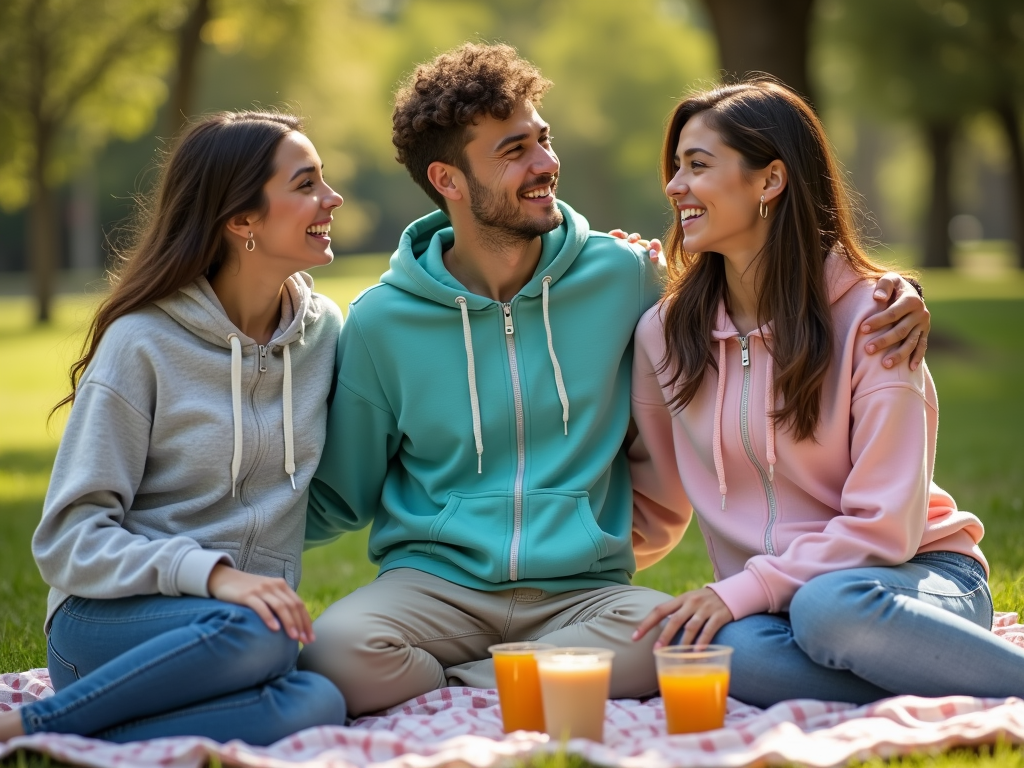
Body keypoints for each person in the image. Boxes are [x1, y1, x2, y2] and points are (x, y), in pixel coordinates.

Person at [298, 44, 930, 717]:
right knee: (337, 654)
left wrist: (894, 291)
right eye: (514, 151)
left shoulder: (626, 278)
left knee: (676, 642)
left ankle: (468, 689)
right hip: (432, 586)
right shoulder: (380, 321)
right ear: (448, 180)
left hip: (587, 593)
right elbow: (342, 492)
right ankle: (514, 683)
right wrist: (214, 542)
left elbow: (759, 290)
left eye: (543, 140)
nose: (544, 165)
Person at [629, 80, 1024, 707]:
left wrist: (743, 590)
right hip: (780, 604)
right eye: (675, 167)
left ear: (770, 181)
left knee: (828, 608)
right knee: (712, 651)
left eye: (697, 165)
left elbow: (887, 528)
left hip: (911, 577)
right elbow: (657, 503)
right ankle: (928, 674)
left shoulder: (875, 319)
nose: (675, 186)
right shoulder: (666, 336)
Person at [0, 111, 347, 744]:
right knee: (268, 634)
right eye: (306, 184)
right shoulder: (143, 344)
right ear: (241, 220)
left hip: (233, 637)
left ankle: (95, 727)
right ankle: (34, 725)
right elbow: (67, 540)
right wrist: (215, 575)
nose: (332, 198)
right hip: (105, 624)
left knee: (319, 698)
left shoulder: (322, 335)